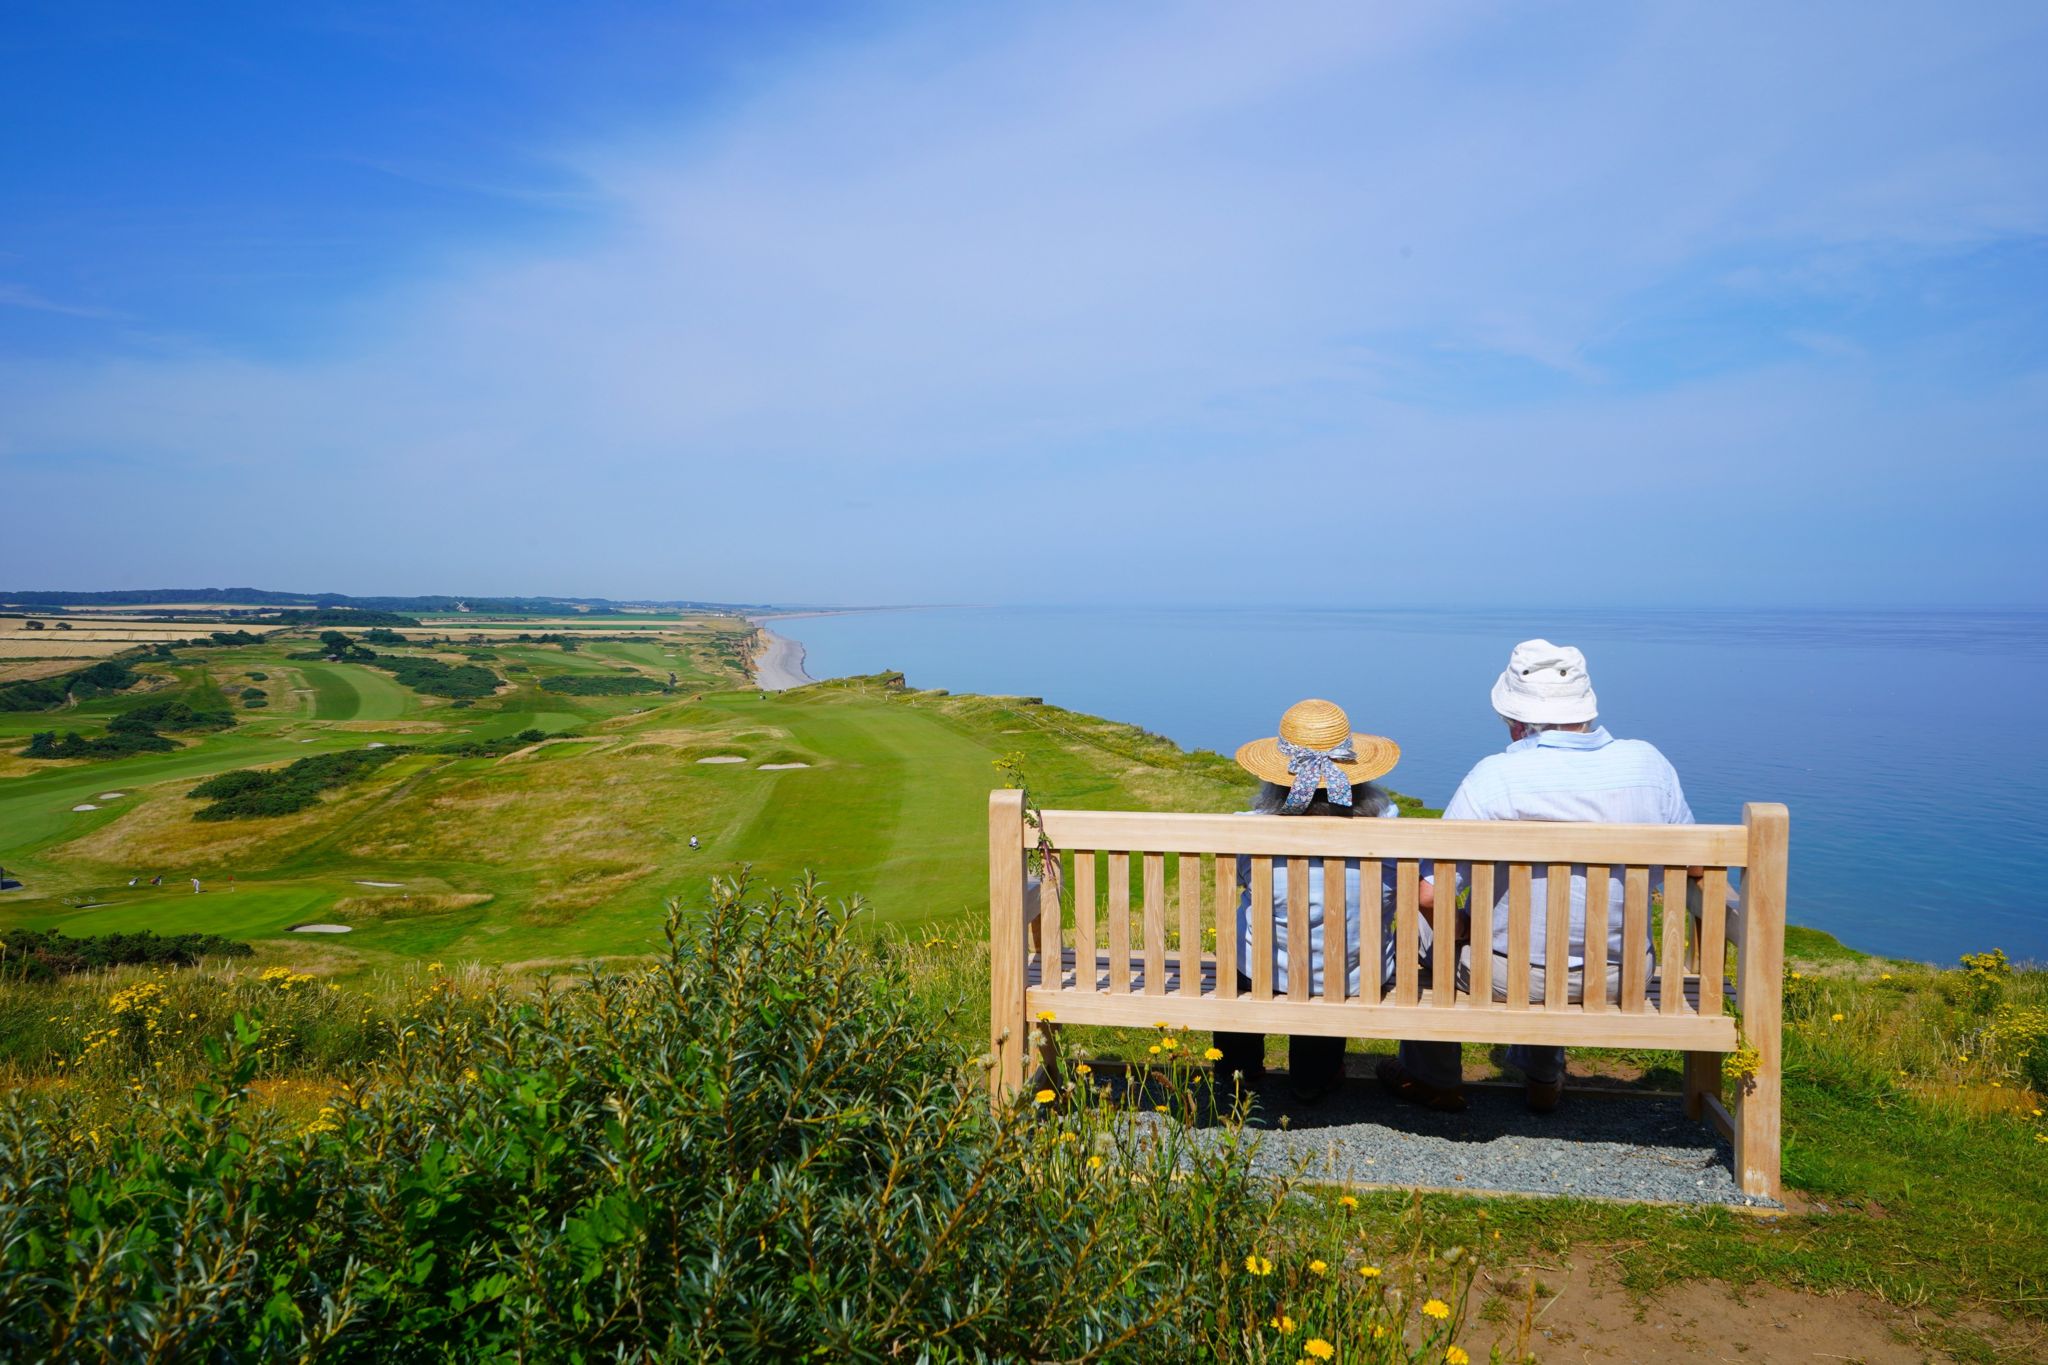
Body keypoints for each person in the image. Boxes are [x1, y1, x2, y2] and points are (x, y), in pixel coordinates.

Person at [1382, 639, 1697, 1114]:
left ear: (1514, 721)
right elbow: (1696, 868)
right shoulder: (1648, 765)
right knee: (1561, 919)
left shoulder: (1495, 778)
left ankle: (1433, 1079)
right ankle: (1543, 1076)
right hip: (1624, 976)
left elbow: (1430, 894)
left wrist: (1464, 925)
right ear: (1585, 709)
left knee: (1429, 920)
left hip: (1510, 977)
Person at [1212, 699, 1421, 1106]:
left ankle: (1238, 1070)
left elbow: (1240, 879)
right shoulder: (1388, 827)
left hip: (1262, 971)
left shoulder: (1249, 828)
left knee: (1250, 949)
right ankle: (1313, 1076)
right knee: (1333, 959)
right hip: (1353, 976)